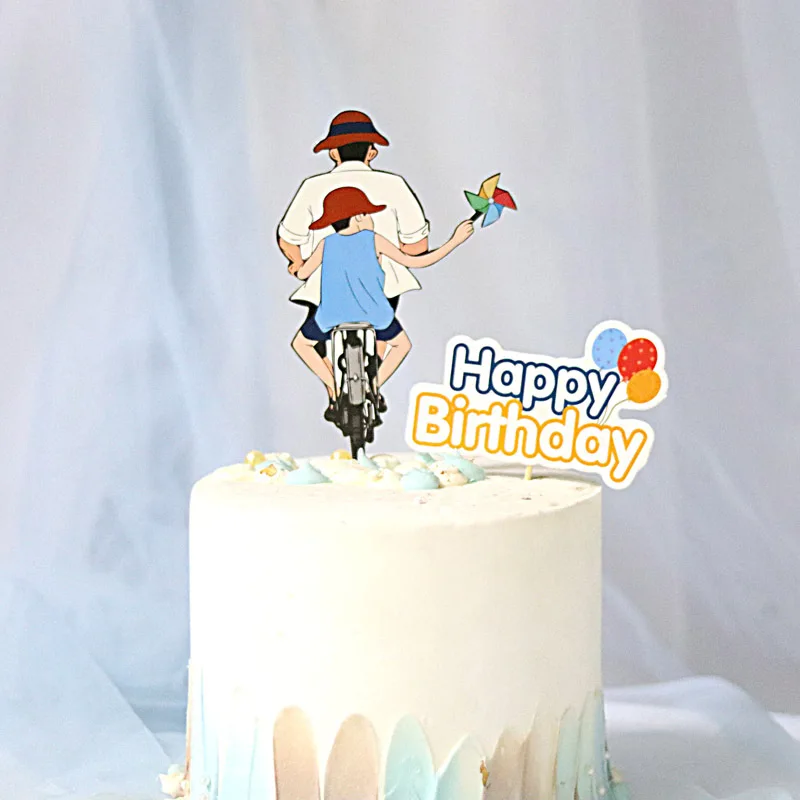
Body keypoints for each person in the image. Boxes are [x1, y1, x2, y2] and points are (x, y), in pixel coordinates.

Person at [290, 186, 473, 410]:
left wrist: (296, 267)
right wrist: (454, 241)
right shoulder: (374, 240)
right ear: (358, 217)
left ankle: (336, 387)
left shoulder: (325, 243)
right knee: (402, 345)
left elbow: (303, 273)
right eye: (368, 214)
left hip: (332, 315)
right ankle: (373, 386)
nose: (371, 218)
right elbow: (416, 262)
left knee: (301, 344)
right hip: (374, 314)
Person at [277, 110, 430, 363]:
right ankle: (374, 374)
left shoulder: (311, 187)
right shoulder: (395, 185)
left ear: (333, 152)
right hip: (381, 290)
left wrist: (298, 262)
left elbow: (288, 240)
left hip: (326, 289)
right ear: (372, 151)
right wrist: (389, 252)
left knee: (313, 342)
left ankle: (331, 384)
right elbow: (417, 245)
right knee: (383, 336)